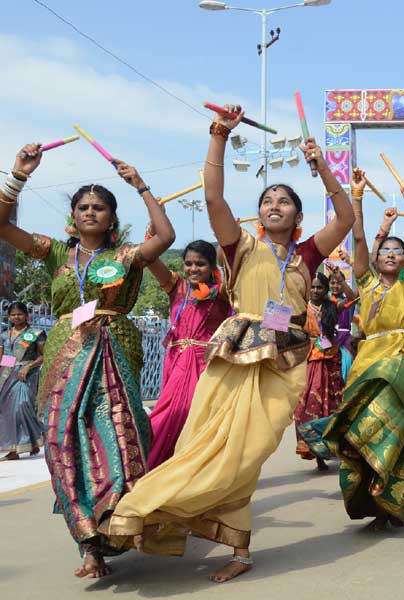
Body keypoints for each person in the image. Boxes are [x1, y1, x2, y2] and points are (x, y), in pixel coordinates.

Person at [99, 104, 353, 583]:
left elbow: (345, 216)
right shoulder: (241, 245)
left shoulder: (307, 254)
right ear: (258, 213)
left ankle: (230, 542)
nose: (274, 204)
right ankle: (152, 512)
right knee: (204, 444)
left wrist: (323, 171)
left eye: (284, 200)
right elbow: (213, 196)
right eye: (267, 199)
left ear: (297, 214)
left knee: (247, 453)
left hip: (283, 361)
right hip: (234, 356)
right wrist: (219, 134)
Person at [0, 143, 176, 578]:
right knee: (64, 441)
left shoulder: (127, 256)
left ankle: (120, 521)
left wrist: (141, 186)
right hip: (63, 353)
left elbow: (166, 238)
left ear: (112, 218)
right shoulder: (55, 254)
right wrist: (18, 176)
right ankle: (88, 544)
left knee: (117, 433)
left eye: (100, 207)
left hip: (115, 345)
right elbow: (2, 225)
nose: (91, 212)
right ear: (73, 216)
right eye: (83, 206)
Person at [301, 168, 404, 529]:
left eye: (397, 252)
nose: (391, 254)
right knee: (365, 435)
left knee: (397, 430)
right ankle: (372, 504)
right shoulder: (367, 283)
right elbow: (358, 240)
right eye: (386, 250)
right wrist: (356, 198)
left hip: (403, 361)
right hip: (368, 363)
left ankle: (392, 504)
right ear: (376, 260)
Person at [146, 240, 231, 469]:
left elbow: (237, 273)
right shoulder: (177, 287)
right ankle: (157, 468)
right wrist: (153, 234)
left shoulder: (221, 292)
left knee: (193, 417)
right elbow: (150, 259)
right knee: (166, 415)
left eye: (200, 264)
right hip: (174, 361)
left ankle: (191, 472)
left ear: (213, 266)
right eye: (189, 263)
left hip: (205, 365)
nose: (193, 269)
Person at [293, 272, 342, 470]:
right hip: (309, 359)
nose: (315, 291)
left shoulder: (332, 307)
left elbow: (355, 296)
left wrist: (341, 274)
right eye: (312, 287)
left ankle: (331, 449)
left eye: (319, 287)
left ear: (326, 289)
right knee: (307, 405)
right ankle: (314, 451)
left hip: (330, 360)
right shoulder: (302, 308)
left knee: (331, 404)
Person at [0, 302, 45, 460]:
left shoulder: (36, 333)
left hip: (27, 373)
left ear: (26, 315)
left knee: (22, 406)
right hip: (8, 374)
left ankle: (32, 440)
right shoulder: (5, 335)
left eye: (19, 314)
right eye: (13, 315)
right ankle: (15, 450)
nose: (16, 317)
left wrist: (29, 367)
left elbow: (43, 355)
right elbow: (4, 357)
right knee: (9, 412)